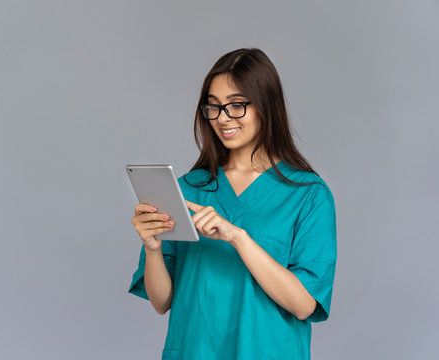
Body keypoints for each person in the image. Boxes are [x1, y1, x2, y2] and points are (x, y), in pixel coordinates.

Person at [128, 48, 337, 360]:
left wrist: (238, 238)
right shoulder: (190, 189)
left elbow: (305, 304)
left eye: (236, 105)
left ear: (266, 106)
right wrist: (152, 246)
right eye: (213, 107)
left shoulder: (307, 194)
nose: (223, 118)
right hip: (194, 351)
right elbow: (162, 301)